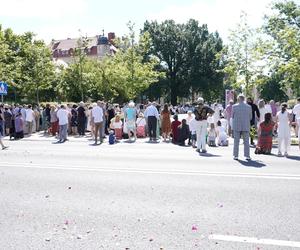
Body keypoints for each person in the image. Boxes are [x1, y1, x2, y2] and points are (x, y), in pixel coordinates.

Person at [232, 94, 252, 160]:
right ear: (244, 99)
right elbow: (250, 117)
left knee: (236, 141)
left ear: (238, 99)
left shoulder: (234, 106)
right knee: (246, 141)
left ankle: (235, 155)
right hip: (246, 125)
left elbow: (232, 116)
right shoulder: (249, 107)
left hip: (237, 125)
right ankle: (247, 155)